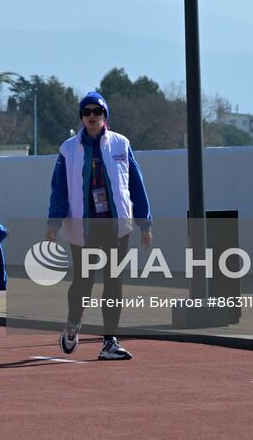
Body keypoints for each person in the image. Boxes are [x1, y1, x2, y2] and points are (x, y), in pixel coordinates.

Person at [45, 91, 153, 362]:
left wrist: (145, 223)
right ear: (81, 117)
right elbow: (58, 189)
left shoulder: (121, 144)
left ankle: (109, 341)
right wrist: (53, 224)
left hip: (116, 227)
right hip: (83, 229)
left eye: (97, 111)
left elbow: (136, 186)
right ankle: (73, 324)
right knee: (83, 282)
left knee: (113, 283)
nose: (92, 116)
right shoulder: (68, 148)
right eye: (87, 112)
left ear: (105, 116)